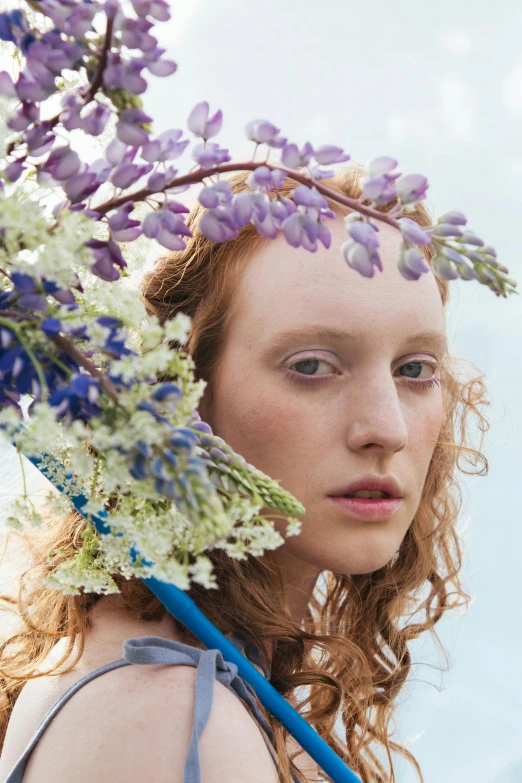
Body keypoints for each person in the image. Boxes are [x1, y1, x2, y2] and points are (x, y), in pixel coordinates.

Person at [0, 165, 489, 783]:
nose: (387, 428)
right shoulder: (172, 718)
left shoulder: (206, 695)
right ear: (180, 395)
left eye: (415, 370)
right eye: (312, 364)